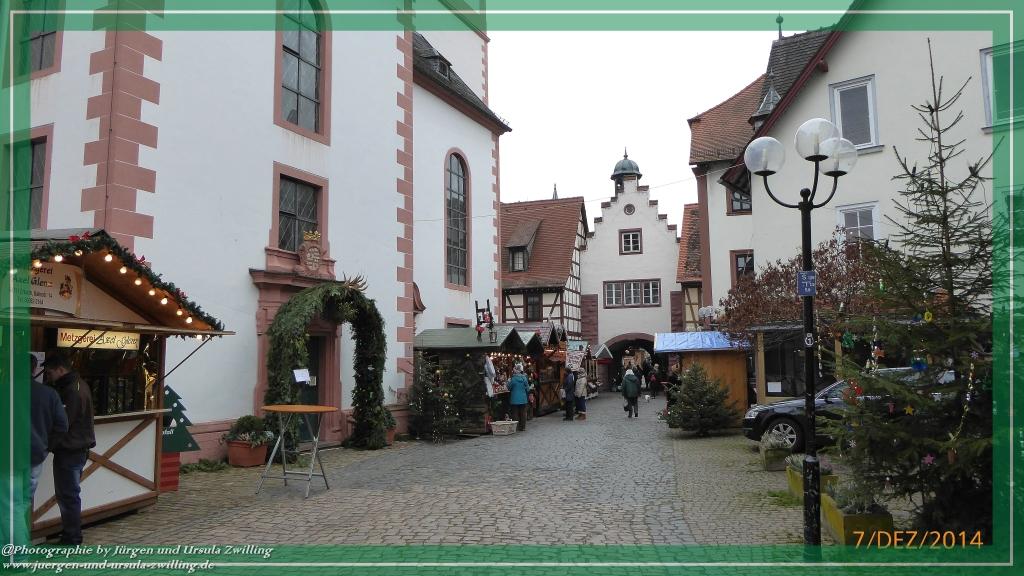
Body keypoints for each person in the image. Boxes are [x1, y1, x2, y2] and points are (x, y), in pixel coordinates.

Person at [42, 352, 95, 545]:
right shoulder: (79, 384)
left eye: (49, 373)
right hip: (77, 448)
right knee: (69, 494)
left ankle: (72, 536)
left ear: (60, 369)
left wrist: (47, 445)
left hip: (70, 450)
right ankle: (70, 532)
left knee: (68, 495)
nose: (47, 377)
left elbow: (63, 423)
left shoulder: (71, 390)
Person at [30, 354, 67, 503]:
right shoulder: (49, 394)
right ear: (34, 369)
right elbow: (62, 426)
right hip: (35, 454)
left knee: (9, 502)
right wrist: (47, 447)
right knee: (24, 500)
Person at [507, 363, 530, 432]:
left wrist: (508, 382)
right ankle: (522, 427)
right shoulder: (524, 378)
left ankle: (516, 427)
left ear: (516, 370)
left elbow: (509, 387)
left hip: (514, 399)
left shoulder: (513, 379)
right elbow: (528, 389)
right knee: (523, 413)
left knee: (515, 413)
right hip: (523, 398)